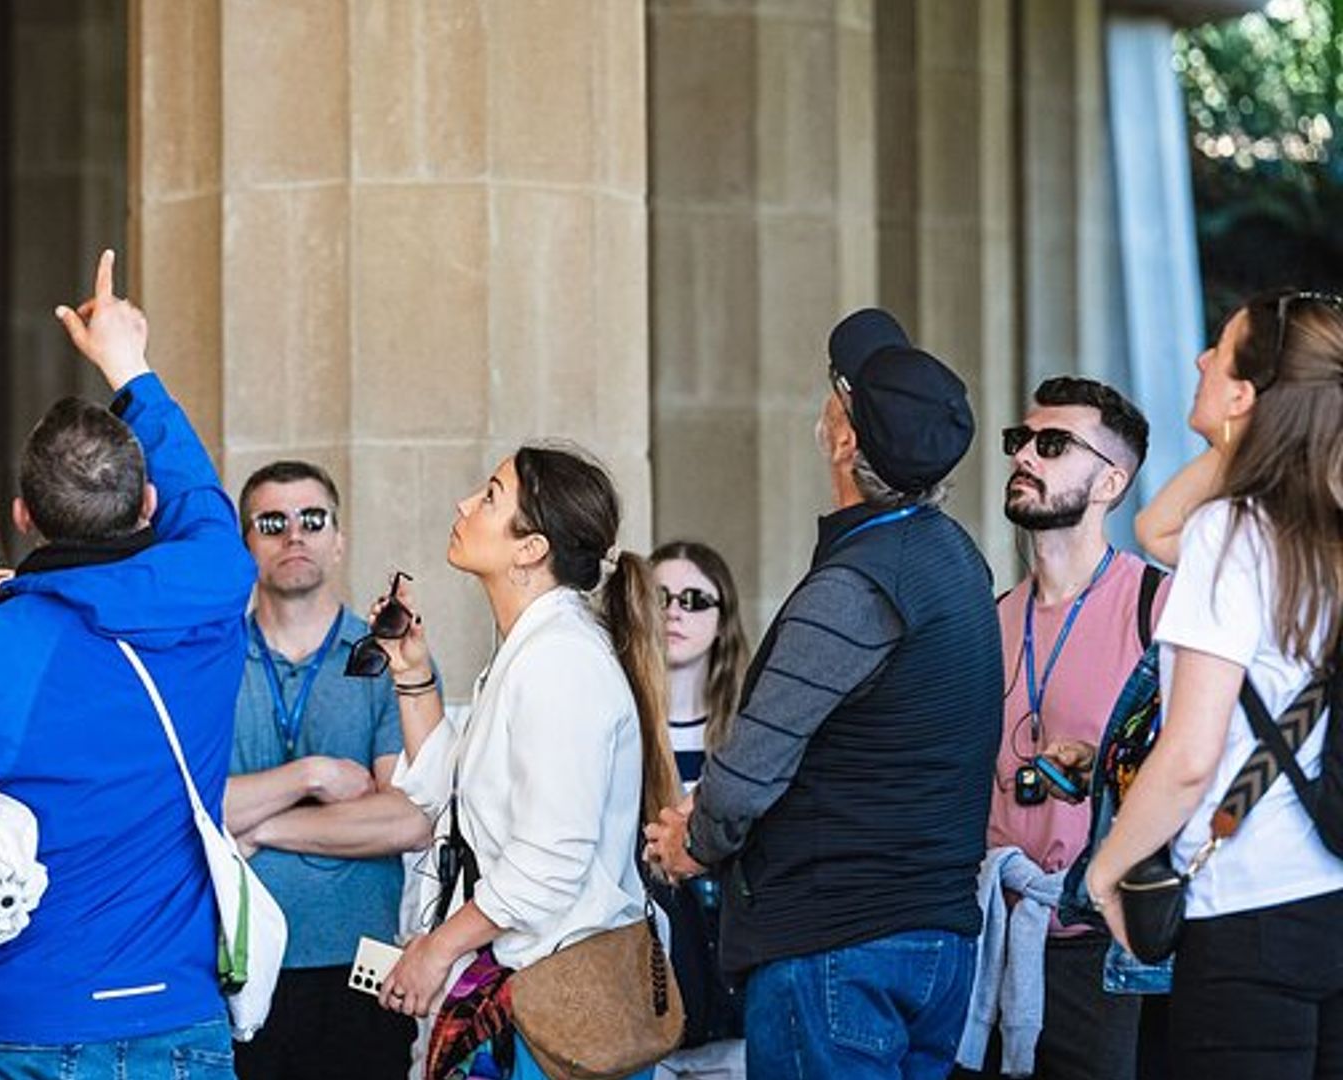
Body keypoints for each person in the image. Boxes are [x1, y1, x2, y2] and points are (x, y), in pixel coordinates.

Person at [0, 251, 257, 1080]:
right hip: (176, 1019)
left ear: (21, 516)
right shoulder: (214, 588)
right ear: (145, 506)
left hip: (23, 1019)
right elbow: (203, 504)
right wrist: (130, 365)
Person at [645, 307, 1003, 1080]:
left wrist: (692, 842)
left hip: (839, 950)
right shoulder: (957, 559)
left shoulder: (856, 585)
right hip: (933, 945)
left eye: (838, 393)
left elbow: (751, 768)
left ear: (844, 440)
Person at [1086, 290, 1343, 1078]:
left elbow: (1191, 754)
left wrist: (1103, 874)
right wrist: (1250, 434)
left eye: (1218, 350)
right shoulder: (1315, 528)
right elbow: (1154, 530)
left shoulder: (1234, 535)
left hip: (1247, 915)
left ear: (1246, 393)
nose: (1199, 358)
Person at [376, 443, 679, 1080]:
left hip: (560, 1007)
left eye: (490, 495)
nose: (465, 504)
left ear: (531, 548)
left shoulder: (560, 660)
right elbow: (445, 787)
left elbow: (548, 862)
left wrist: (437, 950)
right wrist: (412, 674)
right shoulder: (531, 651)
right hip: (526, 992)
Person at [953, 377, 1168, 1080]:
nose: (1026, 458)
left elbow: (1201, 762)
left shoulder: (1156, 606)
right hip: (989, 937)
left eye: (1053, 445)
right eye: (1021, 442)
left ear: (1111, 482)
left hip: (1100, 947)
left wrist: (1108, 766)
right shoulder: (990, 617)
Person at [222, 460, 430, 1080]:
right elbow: (202, 811)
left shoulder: (390, 659)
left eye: (312, 520)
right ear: (246, 545)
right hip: (235, 964)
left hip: (361, 961)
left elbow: (409, 818)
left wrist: (263, 828)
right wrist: (311, 775)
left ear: (338, 540)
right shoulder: (209, 661)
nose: (294, 535)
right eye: (272, 522)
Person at [648, 540, 749, 1080]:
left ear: (722, 617)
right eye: (660, 596)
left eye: (693, 599)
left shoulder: (749, 734)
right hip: (641, 988)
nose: (675, 612)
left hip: (734, 988)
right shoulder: (618, 724)